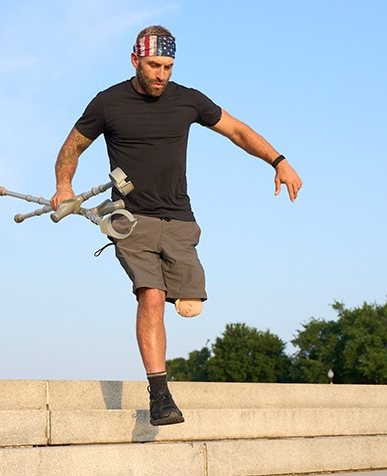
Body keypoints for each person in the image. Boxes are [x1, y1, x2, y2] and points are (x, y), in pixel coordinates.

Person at [51, 25, 303, 426]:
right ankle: (161, 395)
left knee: (190, 306)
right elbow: (72, 146)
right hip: (131, 219)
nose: (161, 75)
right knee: (151, 294)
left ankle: (175, 309)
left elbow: (236, 130)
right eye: (154, 65)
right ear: (135, 60)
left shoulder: (188, 100)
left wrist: (279, 161)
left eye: (168, 66)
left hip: (180, 219)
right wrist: (64, 186)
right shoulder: (108, 103)